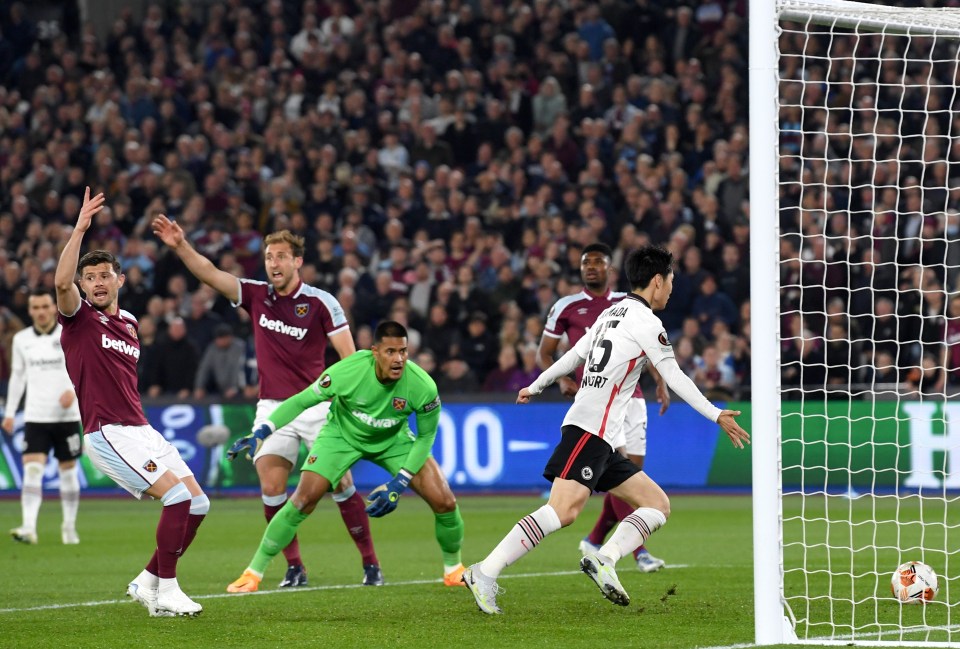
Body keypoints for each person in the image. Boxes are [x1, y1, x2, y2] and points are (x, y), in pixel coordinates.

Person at [463, 246, 749, 614]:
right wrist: (715, 414)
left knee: (657, 504)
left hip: (604, 437)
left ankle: (606, 559)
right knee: (562, 511)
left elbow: (574, 356)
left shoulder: (609, 314)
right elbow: (673, 375)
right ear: (658, 281)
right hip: (589, 428)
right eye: (671, 281)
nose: (672, 289)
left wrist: (537, 385)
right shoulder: (647, 322)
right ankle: (485, 572)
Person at [151, 215, 382, 587]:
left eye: (280, 256)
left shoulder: (322, 303)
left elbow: (350, 358)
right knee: (273, 488)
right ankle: (294, 567)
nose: (273, 263)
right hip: (273, 408)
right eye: (268, 257)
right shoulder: (257, 295)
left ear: (297, 261)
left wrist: (352, 401)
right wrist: (180, 245)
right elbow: (210, 274)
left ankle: (370, 563)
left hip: (318, 406)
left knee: (340, 483)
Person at [224, 321, 466, 593]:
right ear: (375, 352)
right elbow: (301, 400)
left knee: (445, 501)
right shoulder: (347, 371)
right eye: (390, 352)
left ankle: (454, 569)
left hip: (393, 441)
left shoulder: (423, 386)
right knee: (303, 500)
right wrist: (262, 431)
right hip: (341, 436)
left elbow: (425, 438)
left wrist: (399, 483)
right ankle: (252, 574)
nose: (398, 359)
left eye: (403, 351)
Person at [55, 189, 208, 617]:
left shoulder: (131, 323)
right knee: (176, 499)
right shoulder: (79, 320)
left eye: (105, 275)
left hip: (142, 429)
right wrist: (80, 229)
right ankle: (169, 589)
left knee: (198, 503)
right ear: (83, 287)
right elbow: (60, 283)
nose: (98, 282)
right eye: (91, 278)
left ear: (120, 280)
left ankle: (148, 580)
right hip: (108, 430)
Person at [538, 242, 670, 572]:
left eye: (598, 262)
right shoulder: (566, 307)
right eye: (586, 263)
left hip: (633, 398)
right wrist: (560, 380)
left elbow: (649, 345)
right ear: (581, 269)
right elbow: (546, 352)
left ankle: (596, 540)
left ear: (611, 270)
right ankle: (637, 551)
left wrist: (662, 381)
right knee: (622, 472)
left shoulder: (626, 304)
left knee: (629, 477)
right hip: (598, 402)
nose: (591, 267)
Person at [3, 288, 82, 545]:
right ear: (30, 311)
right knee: (33, 470)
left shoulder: (67, 334)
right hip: (36, 415)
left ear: (53, 307)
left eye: (45, 307)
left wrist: (73, 391)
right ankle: (28, 527)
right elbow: (17, 377)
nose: (40, 312)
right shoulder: (22, 339)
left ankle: (69, 527)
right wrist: (11, 413)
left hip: (67, 416)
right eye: (35, 308)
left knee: (68, 472)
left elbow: (84, 367)